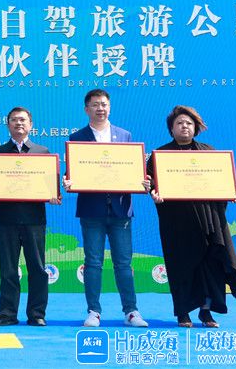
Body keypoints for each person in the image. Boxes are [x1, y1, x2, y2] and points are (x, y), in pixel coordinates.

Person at [146, 105, 236, 328]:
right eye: (179, 123)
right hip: (177, 223)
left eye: (189, 123)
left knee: (210, 267)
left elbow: (221, 182)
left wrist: (232, 192)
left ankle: (206, 312)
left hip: (209, 220)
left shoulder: (208, 152)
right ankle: (183, 313)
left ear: (196, 127)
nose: (184, 126)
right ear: (171, 129)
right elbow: (151, 184)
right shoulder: (160, 155)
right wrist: (153, 193)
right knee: (181, 267)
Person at [64, 89, 148, 328]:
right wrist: (69, 182)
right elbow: (72, 172)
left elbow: (134, 170)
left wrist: (142, 181)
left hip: (121, 209)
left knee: (123, 263)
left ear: (109, 107)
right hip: (92, 210)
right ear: (86, 109)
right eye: (95, 105)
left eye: (104, 104)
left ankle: (131, 311)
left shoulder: (124, 135)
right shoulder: (77, 137)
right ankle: (93, 311)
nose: (100, 108)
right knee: (93, 262)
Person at [0, 107, 61, 327]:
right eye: (14, 120)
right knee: (8, 269)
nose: (19, 123)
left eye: (23, 120)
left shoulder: (43, 152)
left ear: (31, 124)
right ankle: (7, 314)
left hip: (34, 219)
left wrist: (54, 195)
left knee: (38, 268)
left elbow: (51, 186)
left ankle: (36, 313)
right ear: (8, 125)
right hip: (6, 220)